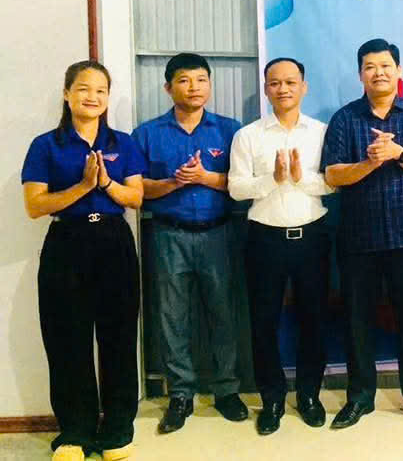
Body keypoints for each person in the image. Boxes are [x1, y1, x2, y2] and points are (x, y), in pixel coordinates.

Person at [21, 61, 146, 461]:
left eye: (101, 91)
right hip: (67, 243)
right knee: (67, 339)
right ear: (67, 94)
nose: (92, 97)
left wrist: (105, 183)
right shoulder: (46, 145)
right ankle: (75, 432)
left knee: (119, 338)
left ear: (108, 97)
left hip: (114, 241)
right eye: (83, 89)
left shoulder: (123, 143)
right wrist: (83, 186)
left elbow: (135, 197)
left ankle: (117, 429)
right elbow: (35, 206)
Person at [322, 39, 403, 430]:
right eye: (370, 67)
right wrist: (370, 162)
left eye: (386, 65)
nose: (379, 73)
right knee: (357, 321)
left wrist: (398, 154)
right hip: (359, 238)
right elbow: (332, 175)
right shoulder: (345, 119)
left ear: (399, 70)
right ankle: (359, 398)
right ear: (361, 74)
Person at [132, 53, 247, 433]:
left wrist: (204, 177)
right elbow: (137, 189)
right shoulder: (147, 134)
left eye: (201, 79)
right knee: (172, 317)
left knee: (223, 313)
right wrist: (174, 183)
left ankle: (226, 390)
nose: (194, 87)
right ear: (168, 87)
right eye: (184, 80)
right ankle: (180, 394)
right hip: (169, 235)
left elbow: (245, 183)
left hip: (219, 234)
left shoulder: (230, 131)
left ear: (210, 85)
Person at [228, 57, 334, 435]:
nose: (283, 89)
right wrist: (272, 180)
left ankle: (309, 395)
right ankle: (272, 398)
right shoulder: (248, 135)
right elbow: (236, 188)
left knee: (314, 320)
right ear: (266, 88)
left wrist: (300, 178)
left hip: (312, 236)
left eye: (291, 82)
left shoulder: (322, 132)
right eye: (275, 83)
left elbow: (333, 182)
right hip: (265, 238)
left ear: (304, 87)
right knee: (263, 322)